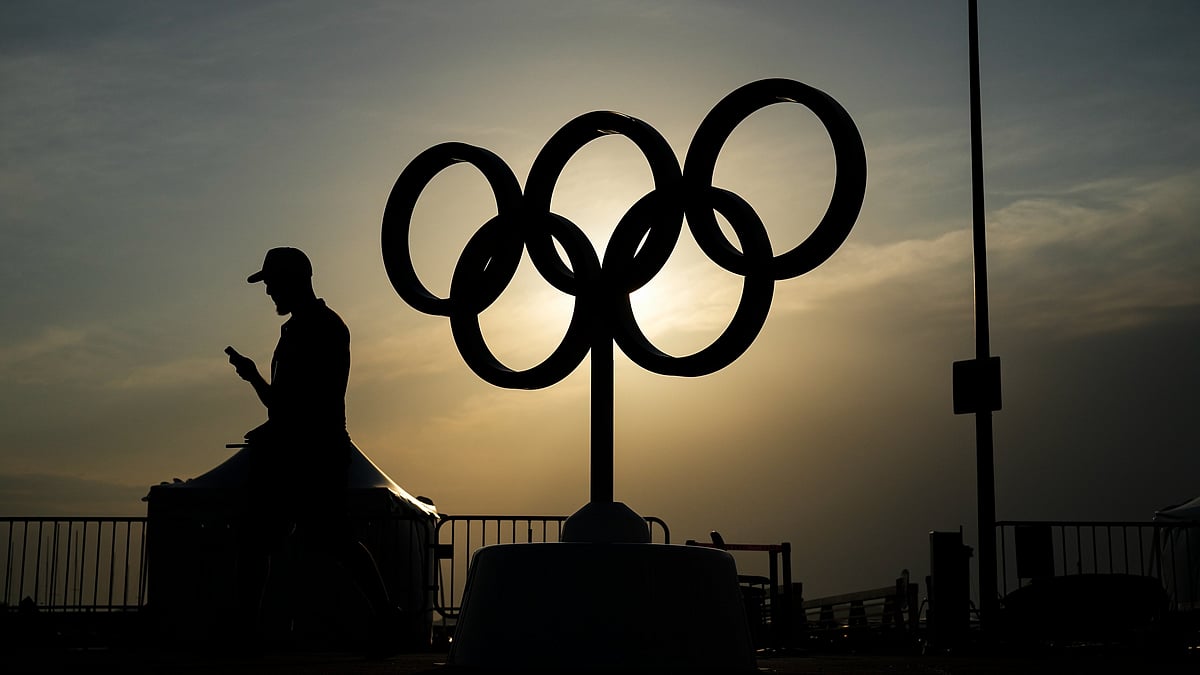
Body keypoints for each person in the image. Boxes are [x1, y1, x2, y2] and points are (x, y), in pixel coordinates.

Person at [226, 246, 395, 652]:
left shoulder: (321, 328)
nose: (268, 293)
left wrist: (267, 407)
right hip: (302, 452)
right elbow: (289, 405)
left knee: (323, 540)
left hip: (312, 455)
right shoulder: (305, 327)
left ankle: (386, 619)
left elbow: (306, 402)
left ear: (292, 281)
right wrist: (255, 381)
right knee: (282, 540)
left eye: (271, 284)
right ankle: (251, 632)